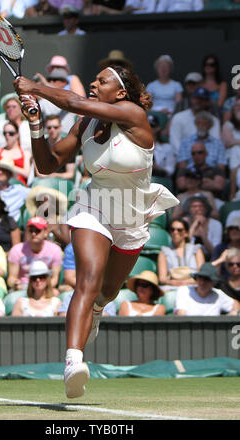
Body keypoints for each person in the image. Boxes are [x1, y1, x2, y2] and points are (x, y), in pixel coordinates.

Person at [14, 64, 179, 398]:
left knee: (106, 293)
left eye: (102, 80)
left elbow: (74, 102)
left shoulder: (132, 114)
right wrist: (35, 123)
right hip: (94, 205)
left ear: (120, 93)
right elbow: (47, 165)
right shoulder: (86, 123)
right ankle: (74, 361)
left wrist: (37, 87)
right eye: (94, 78)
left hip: (132, 216)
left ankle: (99, 309)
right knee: (87, 282)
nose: (93, 82)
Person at [7, 216, 63, 293]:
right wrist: (16, 283)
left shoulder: (55, 250)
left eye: (38, 230)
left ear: (46, 232)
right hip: (23, 288)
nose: (34, 233)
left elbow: (54, 278)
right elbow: (11, 278)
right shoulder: (17, 250)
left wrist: (41, 288)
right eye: (31, 230)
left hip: (46, 287)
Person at [169, 87, 221, 155]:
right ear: (191, 99)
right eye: (195, 98)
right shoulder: (178, 117)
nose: (198, 101)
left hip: (207, 160)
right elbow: (175, 142)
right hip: (182, 159)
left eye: (202, 99)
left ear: (207, 102)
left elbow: (215, 143)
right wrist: (188, 157)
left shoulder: (214, 120)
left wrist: (203, 159)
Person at [174, 263, 239, 316]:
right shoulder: (184, 291)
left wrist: (233, 312)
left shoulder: (218, 294)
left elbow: (236, 304)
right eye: (200, 278)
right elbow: (181, 315)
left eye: (206, 279)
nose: (202, 282)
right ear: (196, 279)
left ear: (214, 282)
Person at [157, 219, 205, 291]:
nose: (175, 232)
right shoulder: (164, 251)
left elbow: (202, 273)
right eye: (172, 229)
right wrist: (177, 283)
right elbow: (162, 279)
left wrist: (185, 283)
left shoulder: (196, 249)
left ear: (186, 233)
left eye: (179, 230)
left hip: (193, 286)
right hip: (172, 287)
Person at [175, 142, 227, 208]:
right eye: (193, 153)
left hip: (213, 200)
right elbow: (182, 185)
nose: (196, 156)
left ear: (206, 153)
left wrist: (194, 183)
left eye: (200, 152)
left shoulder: (216, 170)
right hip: (189, 199)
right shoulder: (184, 170)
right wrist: (206, 182)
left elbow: (219, 186)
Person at [0, 121, 32, 185]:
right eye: (5, 133)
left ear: (17, 134)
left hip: (17, 184)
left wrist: (8, 167)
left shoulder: (25, 153)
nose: (7, 135)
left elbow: (27, 173)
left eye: (11, 133)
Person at [33, 115, 75, 180]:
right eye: (49, 127)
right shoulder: (40, 145)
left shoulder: (68, 146)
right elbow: (38, 173)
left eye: (55, 127)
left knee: (64, 188)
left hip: (63, 181)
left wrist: (54, 175)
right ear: (46, 128)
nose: (52, 130)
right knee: (38, 185)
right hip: (44, 180)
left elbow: (70, 174)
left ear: (60, 127)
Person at [182, 195, 223, 259]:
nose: (198, 209)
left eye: (201, 206)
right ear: (189, 209)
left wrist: (203, 235)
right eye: (194, 206)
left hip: (210, 258)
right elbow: (182, 247)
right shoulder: (184, 222)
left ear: (206, 208)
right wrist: (193, 227)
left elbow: (214, 251)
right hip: (189, 258)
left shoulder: (216, 224)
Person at [148, 113, 176, 177]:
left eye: (152, 126)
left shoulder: (167, 148)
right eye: (146, 126)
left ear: (158, 128)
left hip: (160, 179)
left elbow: (170, 170)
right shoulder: (136, 146)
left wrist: (158, 169)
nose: (148, 128)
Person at [221, 99, 240, 172]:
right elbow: (228, 142)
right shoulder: (228, 125)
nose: (238, 108)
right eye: (237, 106)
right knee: (235, 149)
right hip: (232, 161)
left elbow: (232, 141)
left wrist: (235, 141)